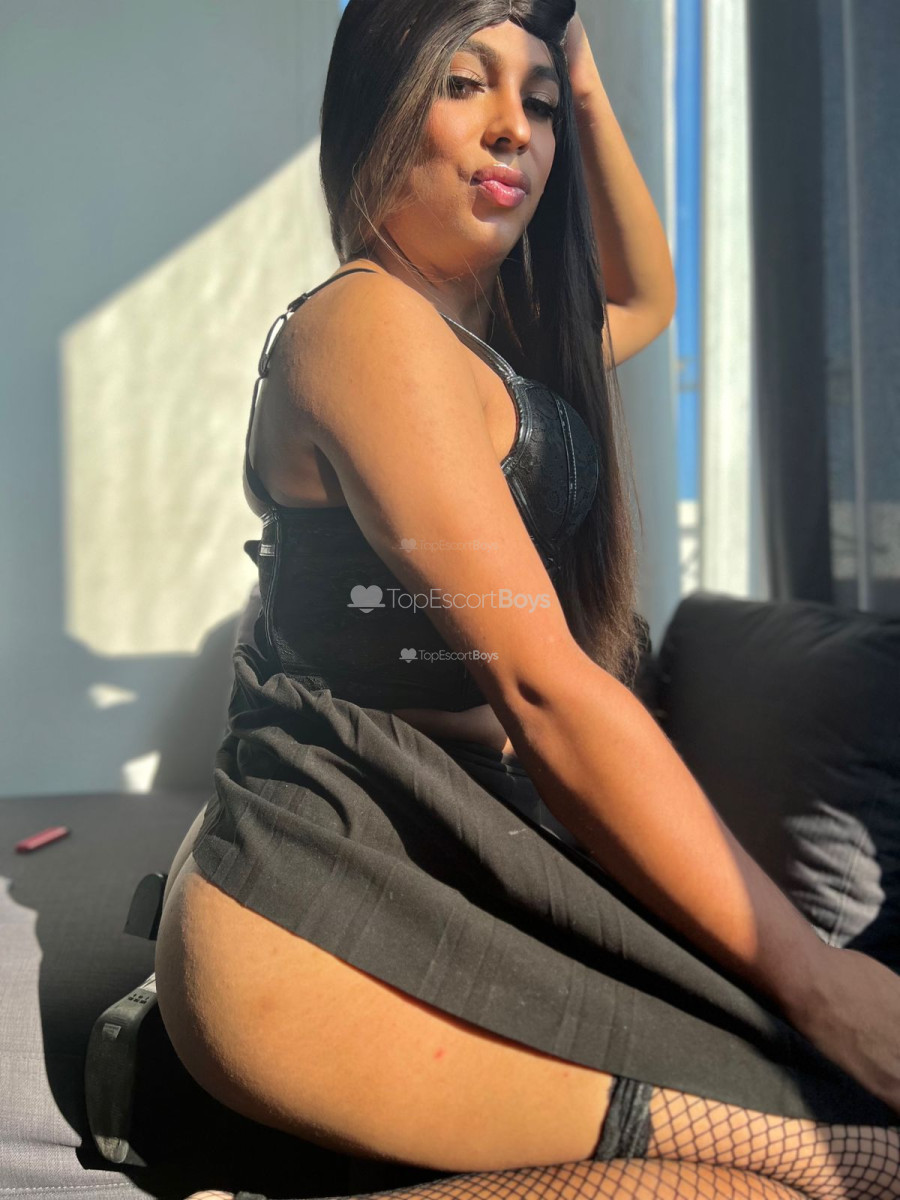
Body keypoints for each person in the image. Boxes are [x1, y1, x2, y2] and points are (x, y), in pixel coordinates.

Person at [153, 3, 900, 1199]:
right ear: (378, 104)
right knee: (840, 1160)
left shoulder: (483, 355)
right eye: (465, 85)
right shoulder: (366, 328)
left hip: (438, 872)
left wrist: (585, 85)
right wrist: (819, 978)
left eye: (537, 104)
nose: (515, 129)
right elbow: (546, 690)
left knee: (829, 1149)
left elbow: (646, 297)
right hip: (327, 923)